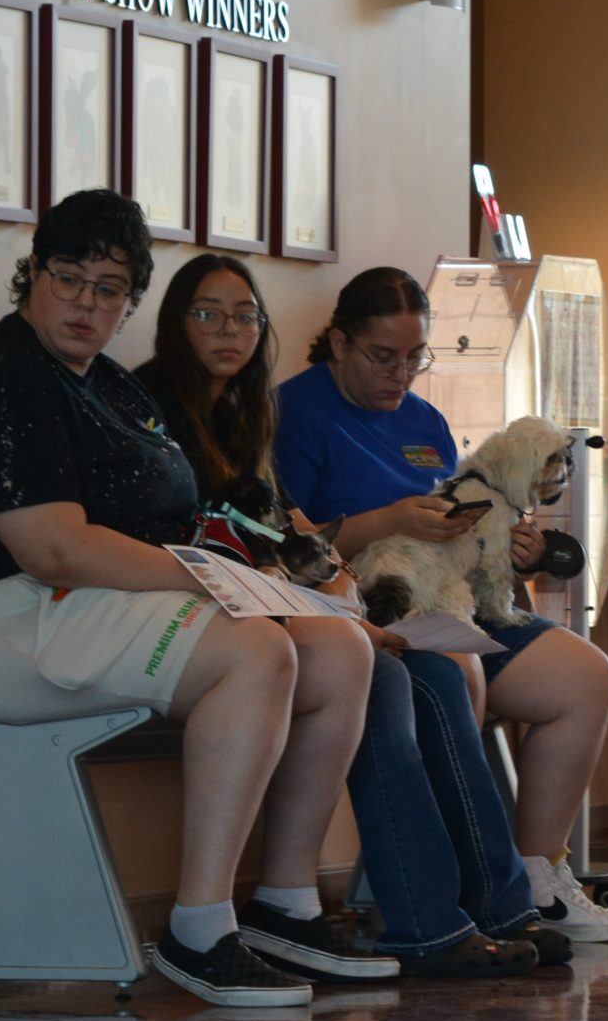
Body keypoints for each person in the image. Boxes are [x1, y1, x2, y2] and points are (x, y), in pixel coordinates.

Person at [0, 191, 379, 1008]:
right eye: (69, 278)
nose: (87, 303)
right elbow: (55, 547)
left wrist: (269, 573)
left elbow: (176, 516)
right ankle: (200, 929)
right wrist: (215, 583)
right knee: (256, 650)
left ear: (130, 302)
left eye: (110, 288)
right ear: (33, 274)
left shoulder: (111, 388)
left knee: (339, 650)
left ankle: (286, 904)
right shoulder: (5, 379)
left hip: (79, 606)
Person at [133, 253, 562, 976]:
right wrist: (345, 593)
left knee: (421, 669)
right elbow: (217, 535)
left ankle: (484, 903)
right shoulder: (156, 406)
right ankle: (428, 922)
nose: (229, 332)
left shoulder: (243, 411)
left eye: (244, 316)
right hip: (203, 605)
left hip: (317, 601)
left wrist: (338, 593)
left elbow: (288, 529)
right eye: (208, 314)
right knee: (408, 677)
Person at [273, 268, 608, 944]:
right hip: (377, 603)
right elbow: (293, 545)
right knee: (454, 671)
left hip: (456, 600)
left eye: (415, 357)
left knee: (585, 675)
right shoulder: (297, 414)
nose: (400, 374)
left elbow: (467, 504)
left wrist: (505, 545)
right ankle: (485, 891)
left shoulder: (426, 420)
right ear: (339, 343)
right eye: (383, 356)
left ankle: (540, 870)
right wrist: (389, 519)